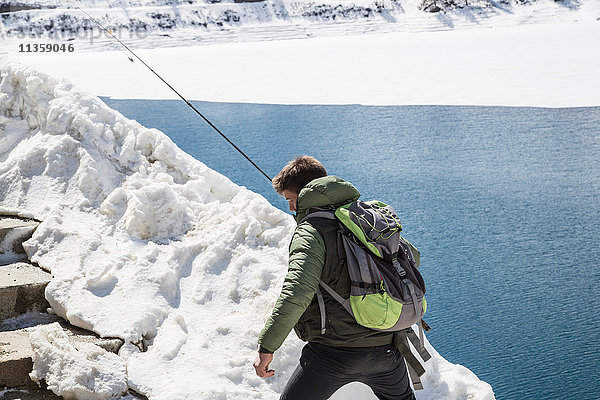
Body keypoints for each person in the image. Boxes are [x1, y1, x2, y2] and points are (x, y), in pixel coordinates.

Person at [253, 156, 415, 400]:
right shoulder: (368, 219)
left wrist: (267, 347)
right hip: (386, 351)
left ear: (306, 193)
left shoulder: (310, 232)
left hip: (333, 354)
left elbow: (297, 293)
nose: (291, 208)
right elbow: (409, 261)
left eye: (291, 199)